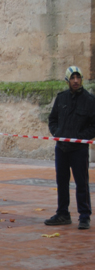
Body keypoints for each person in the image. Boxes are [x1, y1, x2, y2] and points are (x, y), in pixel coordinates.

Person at [45, 66, 95, 230]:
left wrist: (82, 138)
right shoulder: (61, 98)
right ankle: (62, 214)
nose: (75, 81)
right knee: (62, 182)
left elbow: (93, 125)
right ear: (67, 80)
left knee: (81, 182)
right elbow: (52, 119)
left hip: (79, 149)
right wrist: (57, 132)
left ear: (81, 79)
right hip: (62, 148)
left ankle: (84, 216)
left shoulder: (89, 100)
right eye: (72, 78)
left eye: (78, 78)